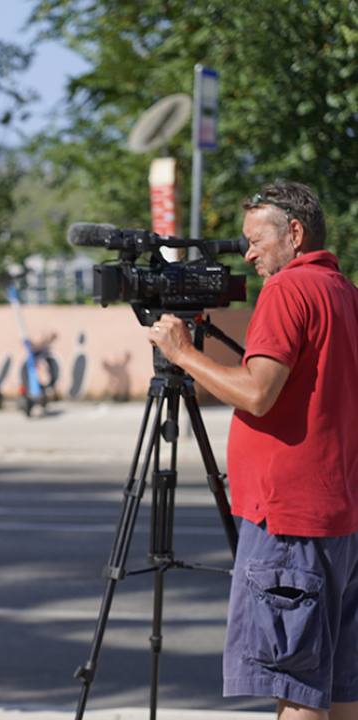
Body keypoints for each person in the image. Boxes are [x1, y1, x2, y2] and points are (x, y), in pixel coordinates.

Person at [147, 182, 358, 720]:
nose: (248, 255)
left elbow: (257, 394)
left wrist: (183, 353)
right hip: (338, 517)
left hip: (288, 519)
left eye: (256, 240)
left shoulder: (288, 290)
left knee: (297, 687)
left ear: (294, 233)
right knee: (340, 690)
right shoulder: (343, 290)